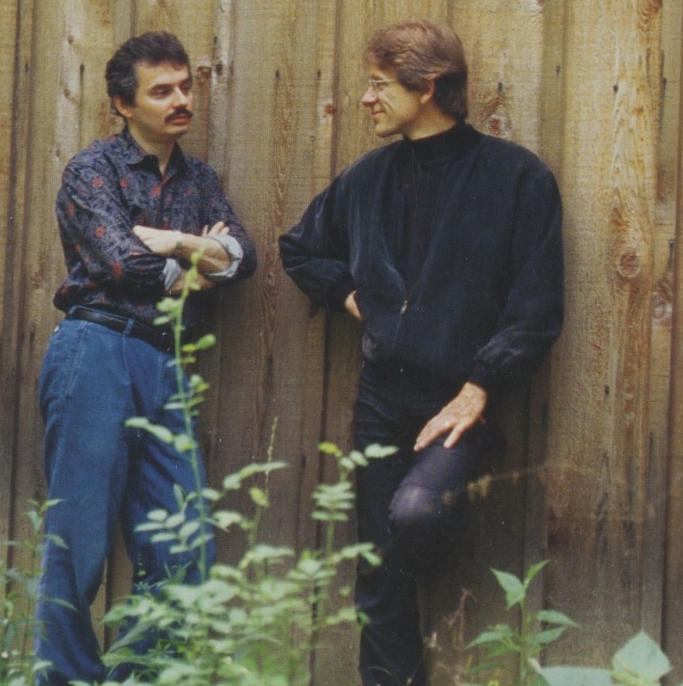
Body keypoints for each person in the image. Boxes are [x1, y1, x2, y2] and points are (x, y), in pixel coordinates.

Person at [279, 18, 563, 686]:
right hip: (381, 399)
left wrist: (478, 387)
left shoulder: (515, 178)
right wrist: (358, 301)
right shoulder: (368, 178)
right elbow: (300, 248)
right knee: (375, 576)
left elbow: (536, 306)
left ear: (427, 88)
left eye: (378, 85)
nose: (365, 99)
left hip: (461, 404)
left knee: (411, 518)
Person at [34, 31, 256, 685]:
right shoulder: (91, 171)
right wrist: (198, 267)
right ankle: (67, 678)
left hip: (164, 362)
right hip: (94, 349)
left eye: (186, 86)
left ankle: (147, 675)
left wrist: (180, 240)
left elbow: (243, 256)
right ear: (122, 105)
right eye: (163, 91)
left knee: (184, 540)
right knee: (80, 539)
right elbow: (123, 262)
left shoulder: (199, 180)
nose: (181, 99)